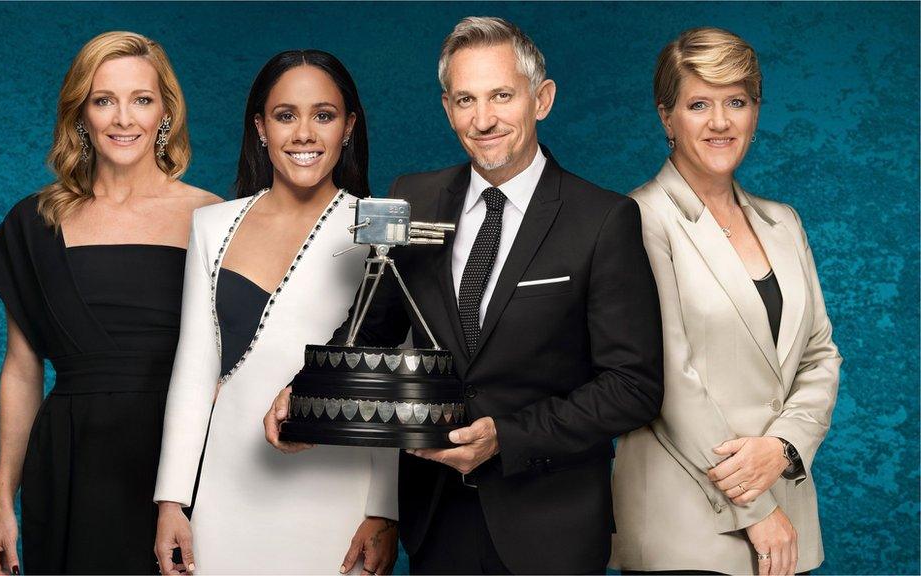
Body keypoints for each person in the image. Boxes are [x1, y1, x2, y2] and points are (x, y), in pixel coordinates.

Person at [265, 17, 663, 575]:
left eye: (502, 95)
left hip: (551, 525)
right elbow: (370, 327)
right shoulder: (413, 197)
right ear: (447, 107)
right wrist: (305, 395)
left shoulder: (603, 219)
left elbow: (633, 387)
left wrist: (508, 438)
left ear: (541, 99)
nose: (483, 119)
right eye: (465, 99)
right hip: (437, 517)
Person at [0, 31, 219, 575]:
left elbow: (230, 365)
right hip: (71, 460)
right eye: (103, 100)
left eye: (141, 99)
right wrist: (1, 502)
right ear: (80, 114)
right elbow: (21, 369)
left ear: (165, 112)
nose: (122, 118)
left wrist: (187, 489)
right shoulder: (34, 222)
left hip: (182, 463)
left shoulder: (213, 216)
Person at [153, 50, 398, 575]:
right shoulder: (211, 225)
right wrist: (172, 499)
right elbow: (193, 369)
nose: (304, 133)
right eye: (286, 115)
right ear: (260, 127)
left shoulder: (376, 227)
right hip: (224, 488)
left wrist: (384, 510)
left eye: (324, 115)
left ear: (349, 127)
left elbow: (388, 374)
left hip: (338, 490)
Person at [610, 27, 842, 576]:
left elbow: (820, 355)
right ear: (666, 117)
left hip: (788, 515)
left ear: (755, 111)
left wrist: (783, 447)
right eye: (698, 105)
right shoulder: (639, 218)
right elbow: (667, 377)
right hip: (684, 522)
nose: (720, 122)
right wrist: (756, 508)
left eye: (736, 101)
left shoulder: (783, 222)